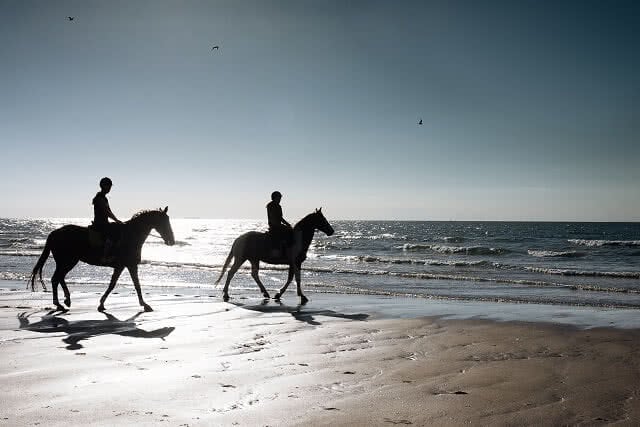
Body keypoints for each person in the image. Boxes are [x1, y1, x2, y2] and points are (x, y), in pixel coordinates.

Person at [91, 177, 123, 262]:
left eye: (110, 186)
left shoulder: (104, 198)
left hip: (105, 222)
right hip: (100, 223)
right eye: (108, 186)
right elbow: (106, 212)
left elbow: (109, 211)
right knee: (113, 234)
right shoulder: (100, 198)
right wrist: (116, 220)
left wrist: (117, 220)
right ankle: (105, 256)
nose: (109, 188)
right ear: (103, 186)